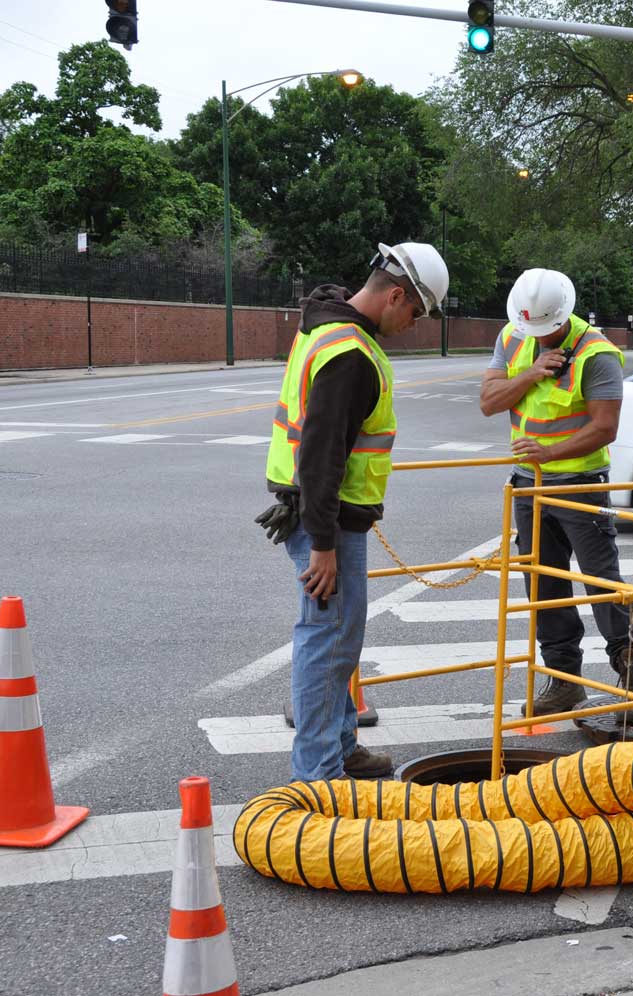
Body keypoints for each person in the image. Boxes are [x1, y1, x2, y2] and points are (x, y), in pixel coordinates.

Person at [256, 241, 449, 782]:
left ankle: (340, 746)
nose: (415, 323)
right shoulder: (352, 357)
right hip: (328, 520)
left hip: (321, 513)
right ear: (394, 295)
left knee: (339, 638)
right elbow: (322, 456)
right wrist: (323, 546)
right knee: (328, 639)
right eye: (416, 311)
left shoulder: (329, 321)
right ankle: (320, 774)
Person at [479, 268, 633, 722]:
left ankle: (632, 672)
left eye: (544, 329)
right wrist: (533, 373)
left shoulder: (596, 354)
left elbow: (604, 427)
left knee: (602, 581)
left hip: (581, 486)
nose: (534, 334)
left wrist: (549, 451)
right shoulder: (513, 336)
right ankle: (564, 680)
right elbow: (489, 401)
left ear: (564, 316)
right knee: (544, 583)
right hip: (528, 486)